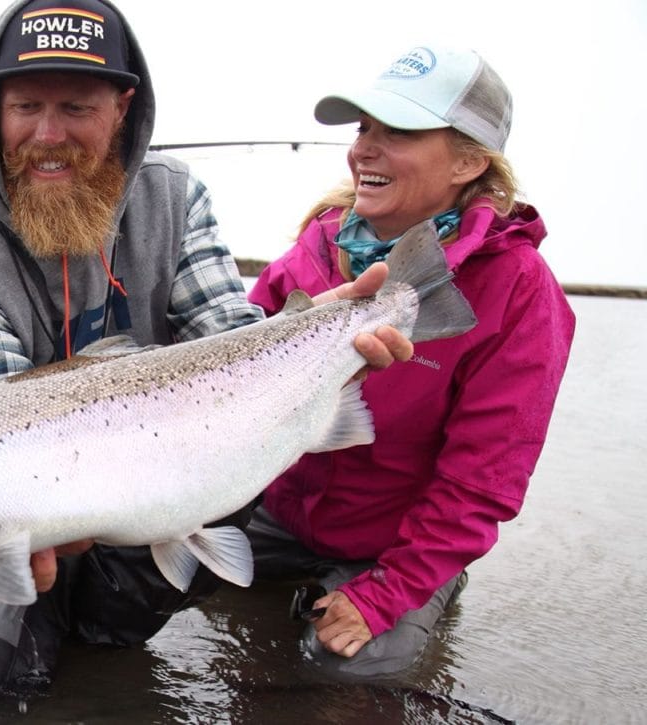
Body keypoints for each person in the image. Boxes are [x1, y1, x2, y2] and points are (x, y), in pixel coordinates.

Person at [0, 0, 411, 699]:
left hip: (154, 474)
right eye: (25, 107)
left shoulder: (176, 200)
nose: (48, 135)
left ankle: (99, 631)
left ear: (123, 109)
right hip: (17, 504)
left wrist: (305, 336)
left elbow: (228, 340)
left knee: (193, 512)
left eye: (76, 108)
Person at [247, 45, 576, 679]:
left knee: (349, 671)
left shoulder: (520, 290)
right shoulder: (312, 248)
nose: (364, 148)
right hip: (276, 512)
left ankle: (423, 591)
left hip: (388, 545)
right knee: (125, 577)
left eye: (397, 131)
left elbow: (482, 482)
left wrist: (381, 595)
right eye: (364, 128)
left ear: (468, 162)